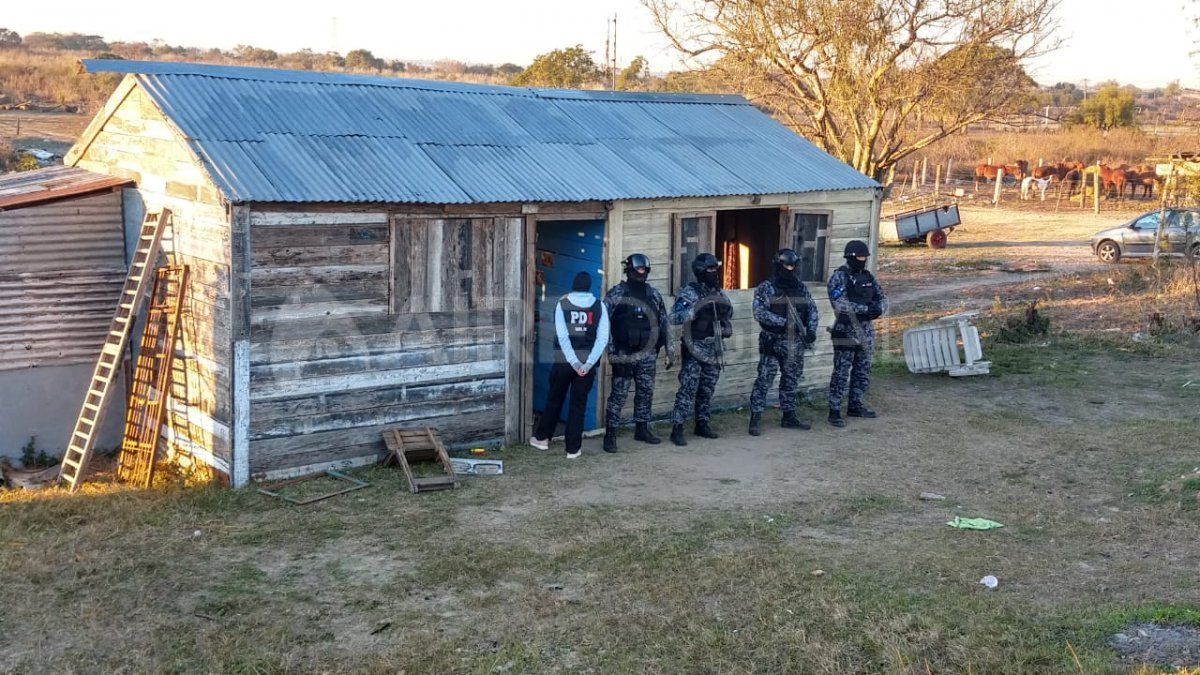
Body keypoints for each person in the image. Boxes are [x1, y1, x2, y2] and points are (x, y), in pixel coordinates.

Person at [530, 271, 610, 458]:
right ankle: (573, 449)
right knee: (578, 404)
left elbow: (562, 336)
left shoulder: (562, 304)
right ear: (589, 286)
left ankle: (542, 439)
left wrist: (573, 362)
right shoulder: (600, 306)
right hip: (587, 362)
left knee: (554, 398)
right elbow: (602, 339)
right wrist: (587, 364)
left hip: (564, 361)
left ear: (573, 285)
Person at [603, 253, 676, 453]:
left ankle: (642, 428)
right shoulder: (616, 293)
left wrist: (670, 349)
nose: (642, 273)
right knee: (619, 395)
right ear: (630, 270)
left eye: (644, 270)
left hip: (648, 354)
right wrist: (610, 351)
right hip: (623, 353)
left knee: (646, 392)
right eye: (639, 269)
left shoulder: (653, 294)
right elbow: (604, 323)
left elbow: (664, 321)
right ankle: (610, 435)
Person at [748, 248, 820, 435]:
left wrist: (811, 330)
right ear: (778, 265)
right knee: (764, 380)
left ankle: (789, 416)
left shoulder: (800, 287)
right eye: (787, 265)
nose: (790, 269)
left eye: (793, 265)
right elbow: (759, 313)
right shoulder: (766, 287)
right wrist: (786, 323)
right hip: (772, 340)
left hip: (794, 343)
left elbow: (812, 309)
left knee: (791, 379)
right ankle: (755, 418)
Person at [668, 253, 733, 446]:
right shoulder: (690, 292)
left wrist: (726, 326)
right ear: (700, 272)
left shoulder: (719, 293)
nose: (715, 273)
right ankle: (677, 428)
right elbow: (674, 317)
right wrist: (695, 310)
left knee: (707, 388)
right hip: (694, 347)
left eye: (716, 269)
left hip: (714, 348)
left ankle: (702, 423)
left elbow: (728, 313)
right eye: (711, 270)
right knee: (688, 388)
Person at [827, 240, 888, 428]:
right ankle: (834, 411)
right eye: (860, 257)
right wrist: (865, 309)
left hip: (866, 331)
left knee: (863, 370)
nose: (863, 260)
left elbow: (883, 298)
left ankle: (855, 405)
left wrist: (879, 309)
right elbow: (839, 303)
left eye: (865, 257)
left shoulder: (868, 277)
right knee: (841, 372)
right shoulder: (839, 277)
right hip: (846, 331)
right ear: (851, 257)